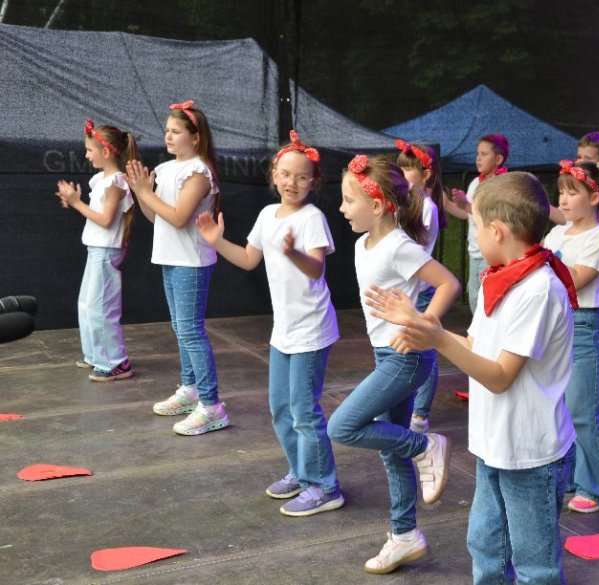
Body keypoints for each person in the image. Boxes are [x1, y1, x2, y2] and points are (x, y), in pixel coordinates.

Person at [367, 171, 578, 584]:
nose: (475, 234)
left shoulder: (538, 289)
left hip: (530, 453)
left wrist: (438, 339)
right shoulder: (501, 280)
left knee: (535, 565)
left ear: (497, 231)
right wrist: (427, 329)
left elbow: (499, 377)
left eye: (476, 225)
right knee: (485, 545)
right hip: (495, 445)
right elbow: (476, 345)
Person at [195, 131, 343, 513]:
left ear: (313, 182)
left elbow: (316, 269)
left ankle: (325, 487)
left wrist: (294, 253)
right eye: (286, 174)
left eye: (302, 177)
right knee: (280, 407)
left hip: (312, 328)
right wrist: (216, 241)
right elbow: (248, 259)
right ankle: (301, 472)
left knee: (304, 410)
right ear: (274, 175)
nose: (292, 182)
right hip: (284, 331)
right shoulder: (266, 215)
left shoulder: (312, 219)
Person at [328, 155, 460, 574]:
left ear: (377, 205)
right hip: (386, 355)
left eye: (349, 201)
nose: (342, 208)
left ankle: (426, 446)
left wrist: (423, 324)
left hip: (405, 358)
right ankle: (405, 535)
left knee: (342, 426)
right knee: (390, 449)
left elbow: (448, 283)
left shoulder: (399, 247)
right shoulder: (362, 245)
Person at [125, 100, 229, 436]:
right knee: (181, 328)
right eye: (167, 131)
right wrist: (141, 193)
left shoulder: (199, 172)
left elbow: (180, 217)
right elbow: (156, 217)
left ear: (195, 137)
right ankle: (190, 390)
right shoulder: (167, 168)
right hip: (170, 257)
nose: (168, 136)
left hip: (191, 261)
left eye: (176, 131)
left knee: (190, 330)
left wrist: (146, 191)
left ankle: (211, 406)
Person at [543, 160, 599, 514]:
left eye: (571, 192)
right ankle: (576, 477)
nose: (562, 199)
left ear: (594, 197)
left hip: (585, 327)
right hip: (557, 325)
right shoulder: (556, 235)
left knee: (585, 409)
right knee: (561, 406)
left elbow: (572, 281)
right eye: (560, 192)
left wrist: (541, 266)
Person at [55, 119, 137, 382]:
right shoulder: (102, 180)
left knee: (101, 308)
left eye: (90, 150)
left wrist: (77, 203)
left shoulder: (116, 183)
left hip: (106, 251)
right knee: (87, 305)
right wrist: (74, 202)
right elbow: (98, 215)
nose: (87, 155)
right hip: (96, 249)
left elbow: (106, 220)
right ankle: (95, 355)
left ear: (106, 151)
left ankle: (116, 362)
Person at [396, 139, 446, 433]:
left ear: (425, 174)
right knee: (404, 348)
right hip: (405, 289)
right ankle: (402, 405)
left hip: (421, 291)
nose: (402, 175)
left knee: (425, 349)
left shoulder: (426, 207)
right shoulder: (406, 203)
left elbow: (414, 247)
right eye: (400, 170)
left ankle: (420, 413)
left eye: (408, 170)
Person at [445, 133, 509, 314]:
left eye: (484, 154)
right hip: (475, 252)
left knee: (486, 298)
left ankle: (489, 330)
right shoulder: (475, 182)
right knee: (474, 296)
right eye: (477, 154)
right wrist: (447, 204)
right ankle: (479, 330)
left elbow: (494, 216)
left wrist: (467, 205)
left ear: (498, 159)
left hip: (492, 252)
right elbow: (468, 214)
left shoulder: (502, 184)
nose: (478, 158)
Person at [549, 131, 599, 232]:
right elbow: (563, 217)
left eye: (587, 158)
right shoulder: (576, 181)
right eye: (579, 157)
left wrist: (578, 210)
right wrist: (541, 204)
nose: (580, 162)